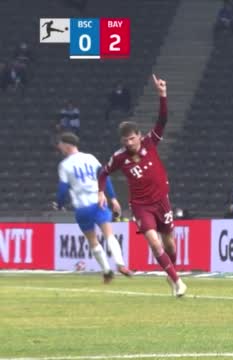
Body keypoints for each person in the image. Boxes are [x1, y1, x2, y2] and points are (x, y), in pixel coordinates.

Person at [98, 74, 187, 297]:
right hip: (140, 205)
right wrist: (102, 192)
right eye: (125, 141)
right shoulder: (119, 157)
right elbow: (103, 172)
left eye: (132, 139)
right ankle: (178, 282)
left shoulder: (150, 141)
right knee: (155, 244)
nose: (129, 144)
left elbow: (163, 120)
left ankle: (171, 273)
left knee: (170, 245)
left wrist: (162, 95)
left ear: (139, 136)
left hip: (161, 200)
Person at [53, 132, 132, 283]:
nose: (59, 147)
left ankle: (107, 270)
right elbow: (104, 177)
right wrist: (113, 198)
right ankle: (121, 264)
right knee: (109, 234)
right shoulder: (90, 158)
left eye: (61, 144)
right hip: (98, 202)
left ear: (67, 145)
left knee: (92, 240)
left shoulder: (64, 165)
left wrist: (59, 204)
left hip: (82, 208)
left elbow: (63, 189)